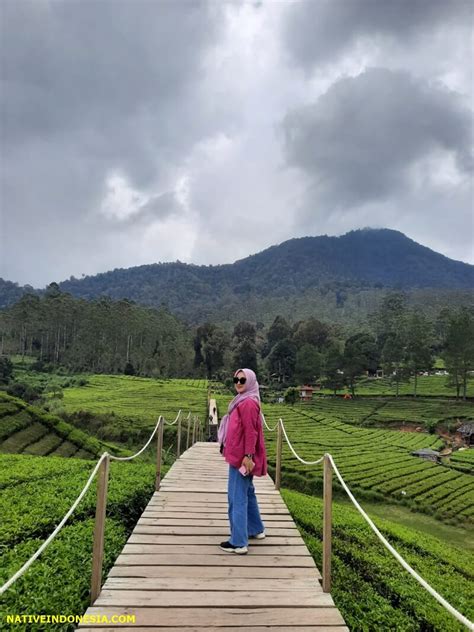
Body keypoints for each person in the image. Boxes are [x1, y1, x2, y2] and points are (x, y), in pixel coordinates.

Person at [218, 368, 267, 554]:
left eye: (242, 380)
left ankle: (238, 542)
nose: (238, 382)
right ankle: (255, 529)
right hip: (240, 454)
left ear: (250, 382)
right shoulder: (246, 399)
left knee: (236, 497)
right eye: (236, 379)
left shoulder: (247, 403)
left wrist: (248, 456)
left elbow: (250, 432)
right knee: (248, 493)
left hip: (241, 457)